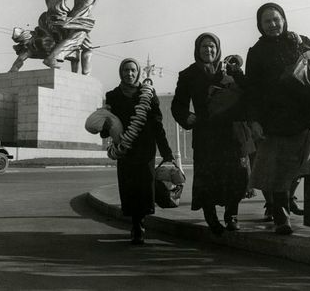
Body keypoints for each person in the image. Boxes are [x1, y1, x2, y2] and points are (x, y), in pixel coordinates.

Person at [246, 2, 310, 235]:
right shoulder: (256, 52)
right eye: (267, 21)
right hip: (279, 119)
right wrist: (254, 120)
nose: (272, 24)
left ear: (284, 19)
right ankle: (281, 217)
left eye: (276, 19)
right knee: (282, 170)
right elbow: (251, 92)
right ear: (260, 25)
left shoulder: (301, 40)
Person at [171, 33, 253, 235]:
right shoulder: (188, 74)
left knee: (237, 174)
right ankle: (211, 217)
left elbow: (248, 92)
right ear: (197, 50)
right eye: (204, 47)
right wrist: (186, 117)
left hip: (231, 131)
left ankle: (231, 215)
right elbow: (177, 105)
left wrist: (238, 72)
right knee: (208, 178)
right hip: (205, 133)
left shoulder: (229, 70)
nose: (208, 50)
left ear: (218, 49)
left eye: (212, 47)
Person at [101, 58, 174, 244]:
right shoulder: (113, 96)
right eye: (126, 70)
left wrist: (167, 152)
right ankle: (135, 224)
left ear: (139, 72)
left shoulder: (148, 94)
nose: (129, 73)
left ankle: (139, 225)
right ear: (121, 72)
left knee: (144, 187)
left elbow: (157, 125)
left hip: (145, 149)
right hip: (125, 149)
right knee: (129, 188)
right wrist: (103, 121)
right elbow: (105, 128)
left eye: (133, 70)